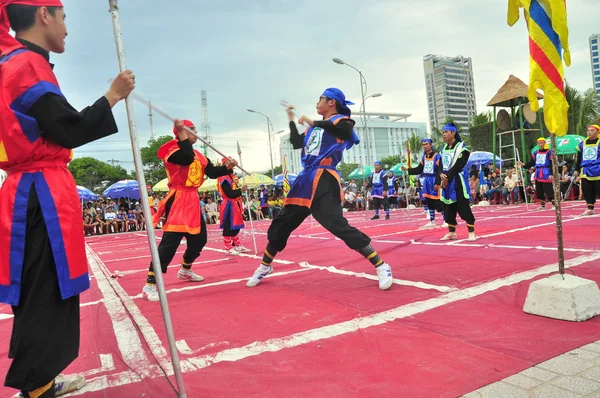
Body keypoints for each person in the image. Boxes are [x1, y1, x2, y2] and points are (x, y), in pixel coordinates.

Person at [0, 1, 135, 396]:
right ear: (44, 14)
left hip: (30, 188)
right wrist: (112, 95)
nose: (66, 29)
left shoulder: (14, 63)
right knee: (45, 291)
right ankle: (35, 387)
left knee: (37, 288)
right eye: (64, 18)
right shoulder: (25, 65)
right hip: (39, 191)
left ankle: (41, 382)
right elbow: (67, 130)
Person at [245, 88, 393, 290]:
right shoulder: (313, 129)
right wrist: (290, 118)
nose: (317, 103)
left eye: (320, 99)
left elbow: (344, 132)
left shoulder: (342, 121)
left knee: (337, 225)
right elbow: (297, 142)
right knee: (282, 223)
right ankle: (265, 266)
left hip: (325, 179)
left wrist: (314, 122)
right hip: (305, 180)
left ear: (331, 102)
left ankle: (381, 265)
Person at [142, 120, 238, 302]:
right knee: (170, 244)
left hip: (193, 200)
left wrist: (227, 167)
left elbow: (211, 172)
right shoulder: (173, 151)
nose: (196, 133)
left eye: (194, 130)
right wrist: (182, 135)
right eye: (191, 130)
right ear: (181, 132)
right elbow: (185, 158)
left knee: (199, 239)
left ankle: (185, 269)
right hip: (178, 199)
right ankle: (150, 284)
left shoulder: (199, 155)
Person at [438, 123, 477, 241]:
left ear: (453, 133)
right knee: (448, 207)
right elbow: (439, 165)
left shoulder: (462, 148)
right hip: (446, 180)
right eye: (443, 132)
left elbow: (457, 166)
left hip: (457, 180)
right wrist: (441, 175)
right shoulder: (442, 149)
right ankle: (451, 232)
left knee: (462, 204)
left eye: (446, 132)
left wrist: (447, 178)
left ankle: (471, 232)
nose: (444, 134)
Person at [402, 138, 446, 229]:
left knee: (438, 201)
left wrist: (437, 183)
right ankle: (432, 221)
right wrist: (407, 170)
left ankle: (446, 220)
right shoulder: (424, 156)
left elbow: (439, 170)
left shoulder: (437, 156)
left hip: (434, 179)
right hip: (426, 180)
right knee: (428, 201)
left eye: (426, 144)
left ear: (431, 145)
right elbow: (419, 169)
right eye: (423, 144)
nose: (425, 146)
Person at [217, 159, 251, 255]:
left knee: (235, 226)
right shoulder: (223, 178)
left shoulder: (231, 177)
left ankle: (237, 245)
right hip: (228, 204)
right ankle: (228, 247)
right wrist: (241, 190)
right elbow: (229, 193)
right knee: (228, 226)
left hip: (234, 203)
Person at [520, 137, 555, 210]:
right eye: (539, 143)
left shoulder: (549, 152)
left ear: (544, 143)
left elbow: (552, 163)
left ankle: (554, 204)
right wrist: (524, 165)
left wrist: (551, 174)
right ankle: (542, 205)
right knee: (539, 189)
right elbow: (532, 162)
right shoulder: (536, 153)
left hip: (546, 172)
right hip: (538, 172)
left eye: (542, 143)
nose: (540, 144)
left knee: (548, 189)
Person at [576, 124, 600, 215]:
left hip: (598, 168)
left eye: (592, 130)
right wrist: (576, 169)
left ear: (598, 132)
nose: (589, 132)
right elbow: (579, 158)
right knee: (587, 189)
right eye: (588, 130)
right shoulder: (582, 144)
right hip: (586, 170)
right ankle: (590, 208)